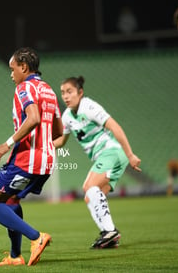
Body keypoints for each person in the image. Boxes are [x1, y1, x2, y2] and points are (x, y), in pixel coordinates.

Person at [0, 47, 63, 267]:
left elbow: (33, 118)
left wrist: (7, 144)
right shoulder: (48, 90)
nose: (11, 74)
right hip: (47, 160)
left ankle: (36, 237)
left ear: (24, 67)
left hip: (26, 159)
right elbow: (58, 130)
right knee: (11, 200)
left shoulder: (23, 88)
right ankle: (15, 256)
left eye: (13, 69)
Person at [54, 76, 141, 249]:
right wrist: (41, 147)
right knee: (90, 197)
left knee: (89, 186)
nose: (65, 96)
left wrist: (130, 154)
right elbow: (61, 142)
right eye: (63, 92)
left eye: (69, 92)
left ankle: (110, 231)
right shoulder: (67, 116)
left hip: (112, 152)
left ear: (80, 92)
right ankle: (108, 236)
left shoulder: (89, 107)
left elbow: (115, 127)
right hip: (105, 157)